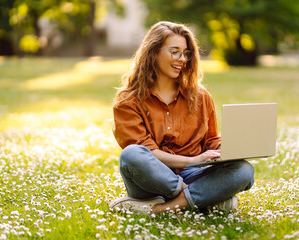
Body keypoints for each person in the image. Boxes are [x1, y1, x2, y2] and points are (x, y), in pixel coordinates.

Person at [109, 21, 254, 214]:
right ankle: (204, 198)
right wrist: (193, 161)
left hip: (195, 174)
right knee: (132, 154)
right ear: (153, 52)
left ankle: (160, 209)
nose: (182, 59)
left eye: (186, 53)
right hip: (152, 180)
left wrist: (227, 149)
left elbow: (210, 141)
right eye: (175, 51)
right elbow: (147, 152)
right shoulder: (128, 101)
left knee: (244, 171)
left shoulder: (201, 97)